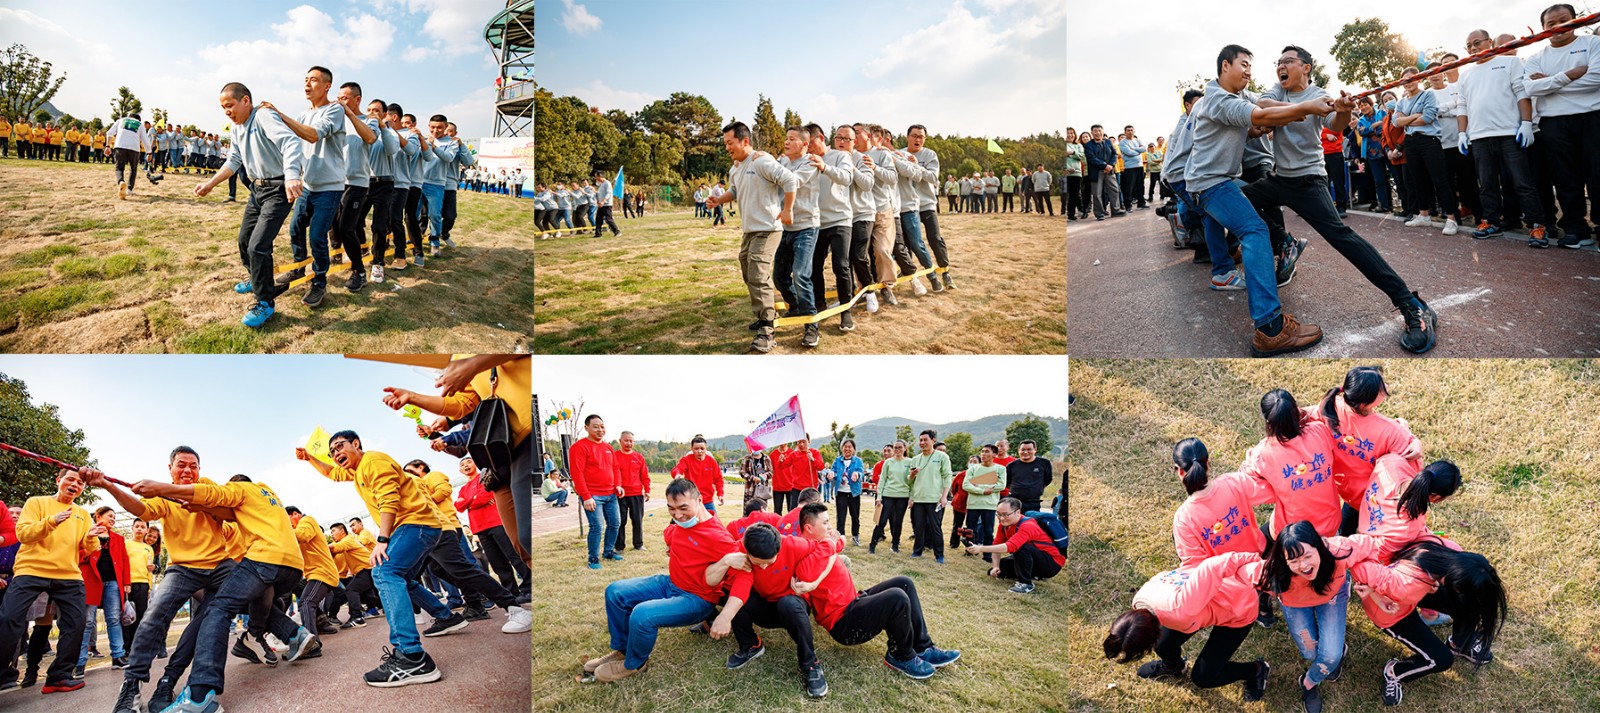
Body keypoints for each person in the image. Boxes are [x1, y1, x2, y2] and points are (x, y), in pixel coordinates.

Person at [1244, 46, 1441, 354]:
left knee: (1344, 240)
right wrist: (1310, 106)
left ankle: (1410, 304)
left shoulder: (1322, 93)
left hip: (1309, 182)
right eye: (1278, 62)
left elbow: (1335, 125)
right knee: (1234, 201)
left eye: (1288, 61)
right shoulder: (1279, 92)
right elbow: (1265, 105)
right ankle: (1284, 241)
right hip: (1278, 179)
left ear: (1307, 67)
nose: (1281, 66)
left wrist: (1344, 110)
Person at [1185, 45, 1335, 355]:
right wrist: (1308, 108)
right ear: (1225, 65)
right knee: (1255, 232)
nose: (1249, 72)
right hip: (1210, 183)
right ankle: (1270, 328)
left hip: (1215, 181)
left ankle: (1246, 285)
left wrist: (1258, 128)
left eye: (1252, 67)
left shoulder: (1237, 97)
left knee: (1254, 216)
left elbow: (1263, 110)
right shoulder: (1217, 99)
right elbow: (1264, 112)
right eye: (1243, 65)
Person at [125, 473, 316, 712]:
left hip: (241, 565)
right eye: (181, 465)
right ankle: (291, 634)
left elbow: (216, 497)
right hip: (286, 566)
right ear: (171, 467)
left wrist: (164, 488)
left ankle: (199, 693)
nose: (187, 470)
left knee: (217, 611)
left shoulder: (231, 492)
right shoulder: (264, 494)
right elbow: (147, 509)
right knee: (237, 602)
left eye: (193, 466)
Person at [295, 431, 455, 687]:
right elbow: (331, 473)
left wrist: (382, 541)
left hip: (416, 524)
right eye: (332, 451)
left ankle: (411, 657)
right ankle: (447, 616)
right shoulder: (357, 471)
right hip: (414, 526)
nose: (336, 454)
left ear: (356, 444)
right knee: (400, 578)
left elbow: (389, 499)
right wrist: (310, 459)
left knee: (383, 572)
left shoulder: (373, 461)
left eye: (340, 447)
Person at [582, 479, 737, 683]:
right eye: (671, 509)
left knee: (643, 614)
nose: (678, 515)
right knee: (615, 592)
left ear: (700, 500)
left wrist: (727, 615)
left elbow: (742, 575)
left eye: (683, 508)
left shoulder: (719, 537)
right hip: (671, 584)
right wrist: (673, 547)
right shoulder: (681, 522)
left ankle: (635, 664)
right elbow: (671, 532)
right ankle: (623, 650)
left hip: (697, 598)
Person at [786, 503, 961, 681]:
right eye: (825, 523)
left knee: (904, 583)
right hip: (843, 621)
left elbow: (838, 543)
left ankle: (923, 646)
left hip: (854, 601)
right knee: (896, 598)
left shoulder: (821, 543)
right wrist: (830, 542)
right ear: (809, 527)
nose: (830, 527)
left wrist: (832, 542)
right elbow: (809, 569)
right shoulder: (804, 554)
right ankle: (900, 655)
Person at [195, 82, 305, 329]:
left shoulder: (263, 116)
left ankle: (265, 301)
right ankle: (256, 279)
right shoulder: (236, 128)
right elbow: (234, 160)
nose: (227, 112)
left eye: (230, 105)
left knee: (258, 246)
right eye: (223, 108)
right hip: (257, 190)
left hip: (278, 189)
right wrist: (211, 184)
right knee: (244, 240)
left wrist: (292, 175)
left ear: (245, 101)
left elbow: (290, 142)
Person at [1350, 541, 1507, 706]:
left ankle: (1459, 644)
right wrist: (1374, 592)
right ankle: (1393, 672)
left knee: (1469, 604)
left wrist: (1433, 584)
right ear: (1457, 584)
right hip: (1394, 613)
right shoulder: (1406, 584)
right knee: (1440, 659)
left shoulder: (1448, 550)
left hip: (1415, 590)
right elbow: (1359, 567)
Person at [1245, 525, 1379, 712]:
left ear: (1320, 547)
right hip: (1294, 602)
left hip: (1331, 595)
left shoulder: (1340, 550)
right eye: (1294, 561)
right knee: (1309, 652)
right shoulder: (1271, 573)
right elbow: (1234, 571)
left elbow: (1377, 546)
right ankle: (1334, 650)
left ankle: (1308, 683)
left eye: (1308, 556)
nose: (1304, 566)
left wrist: (1374, 581)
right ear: (1284, 562)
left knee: (1331, 656)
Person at [1103, 551, 1269, 701]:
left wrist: (1259, 565)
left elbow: (1214, 566)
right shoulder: (1140, 601)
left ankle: (1255, 670)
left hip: (1238, 609)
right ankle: (1174, 667)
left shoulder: (1182, 612)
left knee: (1204, 677)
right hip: (1200, 603)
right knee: (1162, 645)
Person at [705, 520, 843, 698]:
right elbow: (741, 584)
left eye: (769, 562)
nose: (763, 567)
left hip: (792, 604)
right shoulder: (739, 551)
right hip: (765, 605)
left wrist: (836, 541)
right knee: (731, 595)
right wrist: (724, 616)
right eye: (758, 563)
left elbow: (825, 548)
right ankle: (751, 646)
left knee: (789, 604)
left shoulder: (794, 544)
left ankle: (810, 663)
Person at [0, 468, 99, 695]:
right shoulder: (36, 503)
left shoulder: (82, 513)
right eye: (70, 479)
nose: (75, 484)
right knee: (8, 619)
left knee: (76, 623)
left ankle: (60, 675)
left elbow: (87, 547)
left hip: (68, 574)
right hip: (31, 570)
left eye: (80, 482)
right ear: (58, 480)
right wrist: (52, 521)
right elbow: (23, 534)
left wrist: (93, 536)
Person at [706, 121, 797, 353]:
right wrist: (719, 200)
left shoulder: (762, 161)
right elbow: (734, 191)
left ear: (745, 141)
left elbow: (790, 180)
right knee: (748, 271)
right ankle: (763, 314)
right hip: (750, 230)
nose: (727, 147)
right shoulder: (736, 167)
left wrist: (787, 209)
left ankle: (767, 329)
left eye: (730, 143)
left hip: (768, 228)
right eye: (725, 143)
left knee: (758, 273)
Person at [1456, 29, 1546, 243]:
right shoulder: (1465, 74)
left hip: (1509, 134)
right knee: (1486, 184)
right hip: (1478, 137)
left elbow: (1521, 93)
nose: (1472, 48)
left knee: (1522, 182)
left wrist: (1525, 123)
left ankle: (1538, 225)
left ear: (1489, 42)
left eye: (1477, 42)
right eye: (1468, 45)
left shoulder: (1510, 63)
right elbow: (1462, 105)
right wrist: (1462, 133)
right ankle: (1491, 221)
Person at [809, 123, 861, 334]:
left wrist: (824, 167)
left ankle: (845, 311)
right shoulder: (806, 158)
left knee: (841, 265)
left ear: (820, 138)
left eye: (809, 143)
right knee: (814, 266)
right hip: (816, 221)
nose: (807, 148)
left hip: (840, 219)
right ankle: (819, 305)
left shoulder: (840, 157)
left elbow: (847, 178)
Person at [967, 497, 1063, 593]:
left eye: (1005, 515)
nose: (1001, 518)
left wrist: (980, 548)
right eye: (998, 514)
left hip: (1051, 563)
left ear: (1017, 512)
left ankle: (1025, 584)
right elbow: (996, 545)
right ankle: (1033, 574)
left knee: (1021, 547)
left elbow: (1010, 546)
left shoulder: (1028, 525)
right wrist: (996, 566)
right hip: (1033, 558)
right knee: (999, 570)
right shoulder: (1004, 525)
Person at [75, 506, 130, 675]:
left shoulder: (118, 538)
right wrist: (90, 550)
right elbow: (75, 555)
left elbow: (124, 561)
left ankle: (118, 656)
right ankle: (80, 662)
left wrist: (126, 582)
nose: (113, 519)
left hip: (113, 582)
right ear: (98, 516)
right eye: (110, 516)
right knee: (88, 622)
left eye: (114, 517)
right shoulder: (85, 534)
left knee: (113, 619)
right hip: (91, 581)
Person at [285, 506, 342, 646]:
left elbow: (302, 535)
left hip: (322, 572)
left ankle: (312, 644)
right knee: (296, 587)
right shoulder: (299, 527)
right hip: (315, 573)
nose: (289, 525)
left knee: (306, 603)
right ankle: (321, 622)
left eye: (288, 520)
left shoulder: (307, 520)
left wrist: (281, 530)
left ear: (295, 514)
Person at [570, 414, 621, 569]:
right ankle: (593, 558)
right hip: (592, 496)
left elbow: (615, 468)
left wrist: (618, 484)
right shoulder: (579, 447)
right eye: (596, 426)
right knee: (597, 527)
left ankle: (608, 552)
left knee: (615, 523)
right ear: (587, 428)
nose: (600, 430)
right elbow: (577, 473)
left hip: (611, 494)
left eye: (602, 426)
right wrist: (586, 497)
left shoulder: (608, 447)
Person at [905, 125, 952, 289]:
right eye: (914, 136)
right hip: (909, 205)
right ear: (907, 137)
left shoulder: (930, 154)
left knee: (934, 237)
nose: (918, 139)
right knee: (909, 242)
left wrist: (917, 165)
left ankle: (945, 271)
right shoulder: (901, 153)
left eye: (921, 137)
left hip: (927, 203)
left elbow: (933, 177)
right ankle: (910, 275)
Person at [905, 430, 952, 562]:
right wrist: (913, 476)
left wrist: (944, 497)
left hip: (934, 499)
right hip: (918, 498)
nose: (923, 443)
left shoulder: (942, 457)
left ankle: (939, 555)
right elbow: (909, 481)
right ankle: (917, 551)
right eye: (920, 440)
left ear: (933, 441)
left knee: (935, 528)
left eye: (925, 440)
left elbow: (947, 476)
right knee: (918, 527)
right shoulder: (915, 459)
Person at [961, 444, 1007, 562]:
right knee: (970, 530)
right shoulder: (973, 469)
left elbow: (1001, 485)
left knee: (988, 531)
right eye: (982, 451)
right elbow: (966, 485)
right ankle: (970, 550)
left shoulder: (1000, 469)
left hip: (989, 505)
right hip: (973, 504)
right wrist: (983, 490)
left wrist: (978, 484)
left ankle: (987, 555)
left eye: (987, 451)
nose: (983, 454)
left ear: (994, 455)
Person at [867, 440, 912, 554]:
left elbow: (912, 481)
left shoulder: (910, 462)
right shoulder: (888, 462)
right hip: (888, 495)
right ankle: (872, 544)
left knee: (898, 522)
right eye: (895, 447)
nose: (897, 450)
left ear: (905, 448)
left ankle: (895, 545)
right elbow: (882, 480)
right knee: (881, 521)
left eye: (899, 447)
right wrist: (879, 496)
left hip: (903, 496)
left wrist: (911, 497)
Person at [613, 431, 651, 552]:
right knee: (620, 521)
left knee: (637, 520)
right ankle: (619, 546)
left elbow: (644, 475)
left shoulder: (639, 457)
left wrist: (647, 490)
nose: (628, 443)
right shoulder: (614, 456)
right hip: (620, 495)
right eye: (626, 440)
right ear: (620, 441)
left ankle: (638, 544)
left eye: (631, 441)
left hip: (636, 494)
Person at [670, 435, 724, 516]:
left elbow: (718, 479)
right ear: (692, 449)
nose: (699, 451)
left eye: (702, 448)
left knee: (714, 524)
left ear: (706, 449)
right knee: (685, 523)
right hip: (691, 500)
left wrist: (720, 494)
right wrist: (677, 474)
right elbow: (677, 469)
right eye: (696, 449)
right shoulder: (687, 460)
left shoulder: (711, 462)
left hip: (707, 501)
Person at [773, 436, 823, 514]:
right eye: (799, 442)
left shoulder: (814, 452)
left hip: (811, 488)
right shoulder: (793, 455)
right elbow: (782, 467)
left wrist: (813, 459)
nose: (801, 444)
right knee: (794, 512)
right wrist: (780, 461)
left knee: (812, 513)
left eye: (804, 442)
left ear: (808, 441)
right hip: (797, 488)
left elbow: (821, 467)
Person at [106, 112, 151, 200]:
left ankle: (121, 181)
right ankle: (129, 189)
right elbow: (145, 140)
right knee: (133, 168)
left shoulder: (120, 120)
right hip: (134, 148)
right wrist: (149, 153)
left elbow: (109, 133)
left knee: (119, 167)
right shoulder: (139, 124)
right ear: (138, 119)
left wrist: (107, 146)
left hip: (120, 145)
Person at [830, 439, 866, 545]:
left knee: (855, 516)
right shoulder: (837, 460)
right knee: (841, 517)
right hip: (841, 492)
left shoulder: (858, 461)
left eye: (850, 447)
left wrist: (857, 475)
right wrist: (831, 474)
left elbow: (862, 474)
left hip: (854, 493)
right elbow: (833, 472)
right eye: (845, 446)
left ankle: (855, 536)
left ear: (854, 449)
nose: (847, 449)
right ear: (842, 448)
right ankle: (841, 539)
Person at [1004, 439, 1054, 513]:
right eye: (1023, 449)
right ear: (1019, 450)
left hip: (1034, 502)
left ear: (1035, 450)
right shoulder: (1011, 465)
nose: (1025, 452)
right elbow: (1006, 483)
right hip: (1014, 502)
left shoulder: (1044, 463)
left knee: (1030, 523)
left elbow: (1047, 480)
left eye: (1029, 449)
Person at [592, 170, 621, 237]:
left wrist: (603, 201)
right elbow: (600, 194)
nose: (596, 178)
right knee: (598, 219)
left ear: (600, 176)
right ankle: (598, 233)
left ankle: (617, 231)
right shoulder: (601, 184)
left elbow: (608, 193)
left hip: (606, 204)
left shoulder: (607, 183)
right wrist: (598, 201)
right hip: (601, 205)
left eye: (596, 177)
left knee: (608, 219)